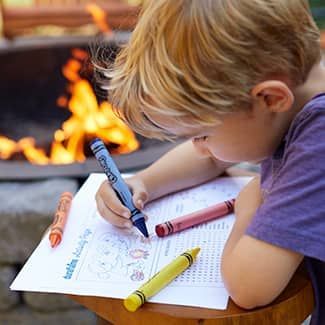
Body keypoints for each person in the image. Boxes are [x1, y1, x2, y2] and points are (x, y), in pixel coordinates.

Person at [95, 1, 325, 323]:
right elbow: (215, 153)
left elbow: (249, 286)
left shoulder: (319, 144)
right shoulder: (290, 96)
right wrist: (144, 183)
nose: (200, 148)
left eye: (202, 134)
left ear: (270, 99)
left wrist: (251, 203)